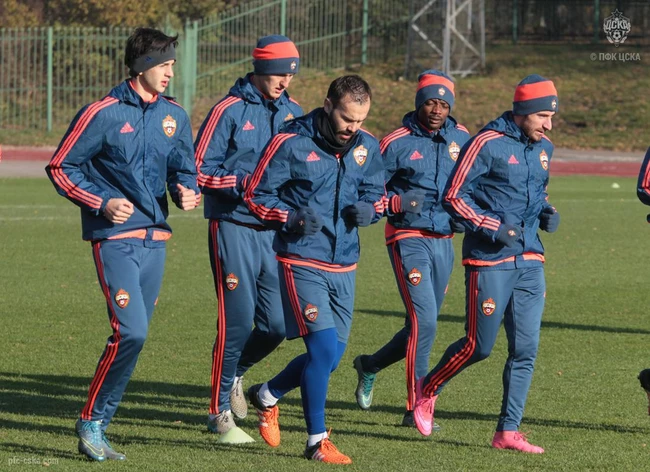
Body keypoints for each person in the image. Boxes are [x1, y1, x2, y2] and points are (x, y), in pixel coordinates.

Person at [45, 27, 199, 461]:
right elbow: (61, 167)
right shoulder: (103, 113)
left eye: (172, 64)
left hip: (156, 241)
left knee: (136, 336)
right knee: (130, 330)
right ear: (142, 66)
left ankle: (98, 424)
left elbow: (183, 168)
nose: (171, 72)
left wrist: (186, 190)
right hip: (115, 239)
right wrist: (102, 201)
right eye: (164, 64)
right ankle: (91, 421)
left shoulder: (175, 115)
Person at [412, 74, 561, 454]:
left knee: (525, 349)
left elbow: (538, 192)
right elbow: (453, 196)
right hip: (489, 260)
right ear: (523, 111)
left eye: (551, 117)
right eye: (543, 116)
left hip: (530, 259)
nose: (548, 125)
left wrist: (547, 210)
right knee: (479, 346)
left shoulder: (544, 148)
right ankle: (427, 388)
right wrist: (492, 226)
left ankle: (507, 431)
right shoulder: (486, 143)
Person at [243, 75, 386, 464]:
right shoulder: (290, 142)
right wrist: (290, 217)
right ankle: (316, 442)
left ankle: (267, 395)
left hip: (345, 263)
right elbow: (256, 195)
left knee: (331, 358)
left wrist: (370, 209)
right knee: (321, 350)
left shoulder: (367, 147)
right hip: (301, 259)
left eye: (360, 120)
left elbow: (378, 193)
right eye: (346, 118)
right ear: (327, 105)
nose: (352, 128)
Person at [194, 35, 303, 435]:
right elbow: (198, 169)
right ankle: (218, 412)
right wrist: (242, 182)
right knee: (237, 321)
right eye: (278, 74)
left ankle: (236, 372)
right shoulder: (228, 110)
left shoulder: (294, 113)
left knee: (278, 325)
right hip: (233, 224)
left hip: (273, 232)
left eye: (290, 75)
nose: (284, 82)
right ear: (259, 69)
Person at [351, 70, 470, 428]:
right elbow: (368, 189)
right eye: (431, 102)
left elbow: (473, 184)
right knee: (426, 321)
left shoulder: (462, 138)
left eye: (443, 104)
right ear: (419, 103)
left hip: (444, 240)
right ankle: (416, 406)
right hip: (407, 237)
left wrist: (465, 215)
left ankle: (369, 365)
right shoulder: (395, 142)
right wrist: (396, 203)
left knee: (418, 326)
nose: (437, 110)